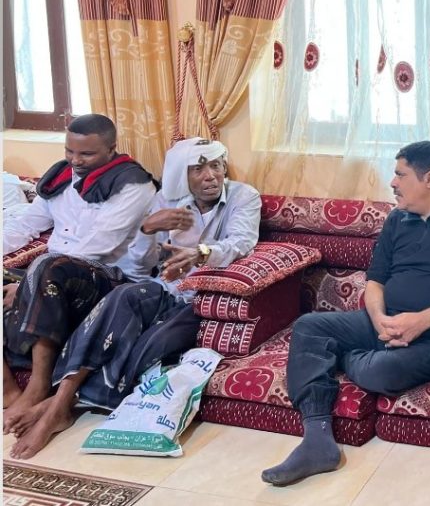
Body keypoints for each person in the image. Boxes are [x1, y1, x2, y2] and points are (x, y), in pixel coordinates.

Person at [261, 141, 430, 486]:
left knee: (381, 371)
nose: (392, 182)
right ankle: (317, 439)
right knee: (309, 327)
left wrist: (420, 321)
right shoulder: (397, 219)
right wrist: (378, 319)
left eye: (400, 175)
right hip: (382, 322)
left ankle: (340, 356)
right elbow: (375, 280)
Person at [7, 137, 261, 459]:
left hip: (195, 299)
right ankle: (58, 404)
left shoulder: (243, 196)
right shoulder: (165, 201)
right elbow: (141, 266)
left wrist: (201, 253)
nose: (211, 176)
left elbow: (240, 242)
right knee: (122, 298)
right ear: (182, 175)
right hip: (159, 288)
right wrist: (147, 231)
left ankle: (59, 405)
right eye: (198, 169)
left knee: (150, 346)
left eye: (216, 166)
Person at [2, 114, 156, 429]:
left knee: (45, 266)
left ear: (111, 149)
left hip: (109, 278)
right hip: (55, 271)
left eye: (86, 154)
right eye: (69, 151)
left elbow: (98, 245)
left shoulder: (133, 185)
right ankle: (6, 388)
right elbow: (26, 225)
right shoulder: (60, 178)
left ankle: (38, 386)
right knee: (44, 267)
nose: (75, 160)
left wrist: (29, 285)